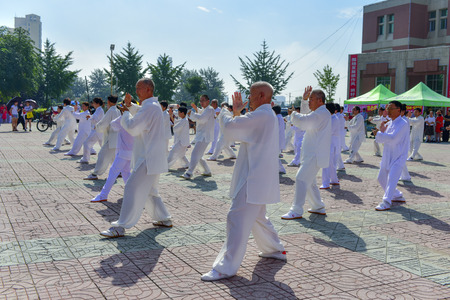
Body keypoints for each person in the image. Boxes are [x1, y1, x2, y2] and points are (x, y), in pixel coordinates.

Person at [201, 82, 285, 281]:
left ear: (262, 95)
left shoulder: (262, 114)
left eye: (252, 95)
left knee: (236, 217)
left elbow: (230, 128)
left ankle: (225, 267)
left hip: (254, 177)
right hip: (258, 175)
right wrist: (237, 113)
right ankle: (275, 249)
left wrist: (226, 111)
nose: (249, 98)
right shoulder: (265, 114)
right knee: (258, 217)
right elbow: (240, 132)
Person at [100, 78, 172, 238]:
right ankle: (164, 218)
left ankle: (121, 226)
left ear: (148, 89)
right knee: (151, 192)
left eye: (139, 88)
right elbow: (140, 111)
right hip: (151, 157)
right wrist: (129, 106)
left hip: (148, 158)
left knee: (131, 187)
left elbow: (132, 127)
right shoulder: (151, 106)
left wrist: (125, 111)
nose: (136, 91)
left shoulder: (151, 107)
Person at [281, 86, 331, 220]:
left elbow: (304, 122)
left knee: (301, 178)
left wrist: (293, 114)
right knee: (309, 181)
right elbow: (307, 115)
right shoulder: (319, 112)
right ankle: (317, 206)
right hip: (311, 153)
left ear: (320, 100)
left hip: (315, 154)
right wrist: (303, 100)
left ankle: (296, 210)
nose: (309, 102)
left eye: (311, 99)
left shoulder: (321, 113)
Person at [372, 101, 409, 211]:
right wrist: (381, 131)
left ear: (398, 110)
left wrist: (379, 134)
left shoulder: (403, 123)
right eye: (387, 109)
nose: (388, 111)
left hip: (398, 156)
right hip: (388, 155)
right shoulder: (390, 123)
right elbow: (384, 139)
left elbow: (393, 139)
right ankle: (397, 195)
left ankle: (386, 202)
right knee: (381, 178)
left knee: (392, 179)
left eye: (391, 108)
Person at [91, 114, 134, 202]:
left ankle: (103, 194)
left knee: (113, 172)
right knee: (126, 172)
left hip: (123, 152)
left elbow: (113, 124)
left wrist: (123, 114)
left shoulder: (123, 118)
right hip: (131, 152)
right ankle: (132, 193)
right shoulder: (135, 118)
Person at [84, 95, 121, 180]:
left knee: (102, 155)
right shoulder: (117, 110)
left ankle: (95, 174)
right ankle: (118, 172)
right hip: (116, 137)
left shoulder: (111, 111)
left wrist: (96, 127)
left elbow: (104, 122)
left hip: (111, 137)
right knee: (112, 157)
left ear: (109, 101)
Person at [181, 95, 215, 179]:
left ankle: (189, 172)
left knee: (195, 154)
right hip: (202, 135)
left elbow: (202, 119)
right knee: (199, 155)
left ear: (208, 101)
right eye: (200, 100)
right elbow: (201, 114)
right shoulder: (205, 110)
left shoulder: (210, 109)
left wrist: (192, 113)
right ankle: (207, 171)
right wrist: (195, 110)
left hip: (204, 136)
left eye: (203, 100)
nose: (201, 102)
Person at [78, 98, 104, 163]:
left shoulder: (99, 110)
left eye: (93, 103)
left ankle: (85, 159)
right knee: (103, 146)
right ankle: (105, 159)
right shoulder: (99, 110)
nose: (92, 104)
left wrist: (90, 118)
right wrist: (90, 116)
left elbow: (95, 120)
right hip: (99, 130)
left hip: (96, 130)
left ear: (97, 104)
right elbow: (95, 117)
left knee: (86, 143)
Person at [320, 103, 340, 189]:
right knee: (330, 163)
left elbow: (328, 131)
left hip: (330, 143)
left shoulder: (334, 119)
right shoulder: (331, 118)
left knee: (326, 163)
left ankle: (325, 183)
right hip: (329, 142)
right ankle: (334, 180)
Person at [272, 105, 286, 174]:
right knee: (274, 155)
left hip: (276, 140)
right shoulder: (280, 117)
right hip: (279, 139)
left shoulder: (277, 118)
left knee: (274, 155)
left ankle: (281, 169)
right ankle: (278, 168)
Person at [399, 104, 411, 182]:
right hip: (400, 143)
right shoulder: (401, 119)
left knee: (400, 160)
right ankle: (405, 176)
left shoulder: (405, 120)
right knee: (400, 160)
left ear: (403, 111)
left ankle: (406, 176)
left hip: (403, 143)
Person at [334, 104, 345, 171]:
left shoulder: (336, 116)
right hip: (341, 134)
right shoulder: (341, 116)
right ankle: (341, 165)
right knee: (337, 150)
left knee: (336, 151)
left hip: (337, 135)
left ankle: (340, 165)